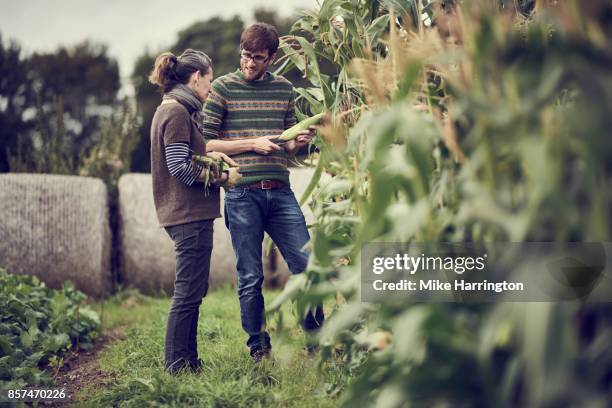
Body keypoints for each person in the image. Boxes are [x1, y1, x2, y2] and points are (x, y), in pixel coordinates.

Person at [202, 23, 324, 362]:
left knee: (308, 266)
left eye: (257, 58)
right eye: (245, 56)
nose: (250, 63)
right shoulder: (222, 88)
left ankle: (317, 344)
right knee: (251, 275)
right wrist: (252, 143)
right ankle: (258, 347)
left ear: (271, 58)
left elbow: (287, 151)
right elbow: (206, 143)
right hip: (242, 194)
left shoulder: (285, 90)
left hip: (280, 193)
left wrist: (297, 144)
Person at [149, 49, 240, 374]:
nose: (211, 88)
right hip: (186, 214)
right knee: (187, 292)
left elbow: (189, 159)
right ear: (196, 77)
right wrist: (222, 178)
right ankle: (176, 366)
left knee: (194, 290)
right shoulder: (175, 112)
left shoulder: (179, 110)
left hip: (191, 214)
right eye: (209, 80)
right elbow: (180, 168)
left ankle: (189, 361)